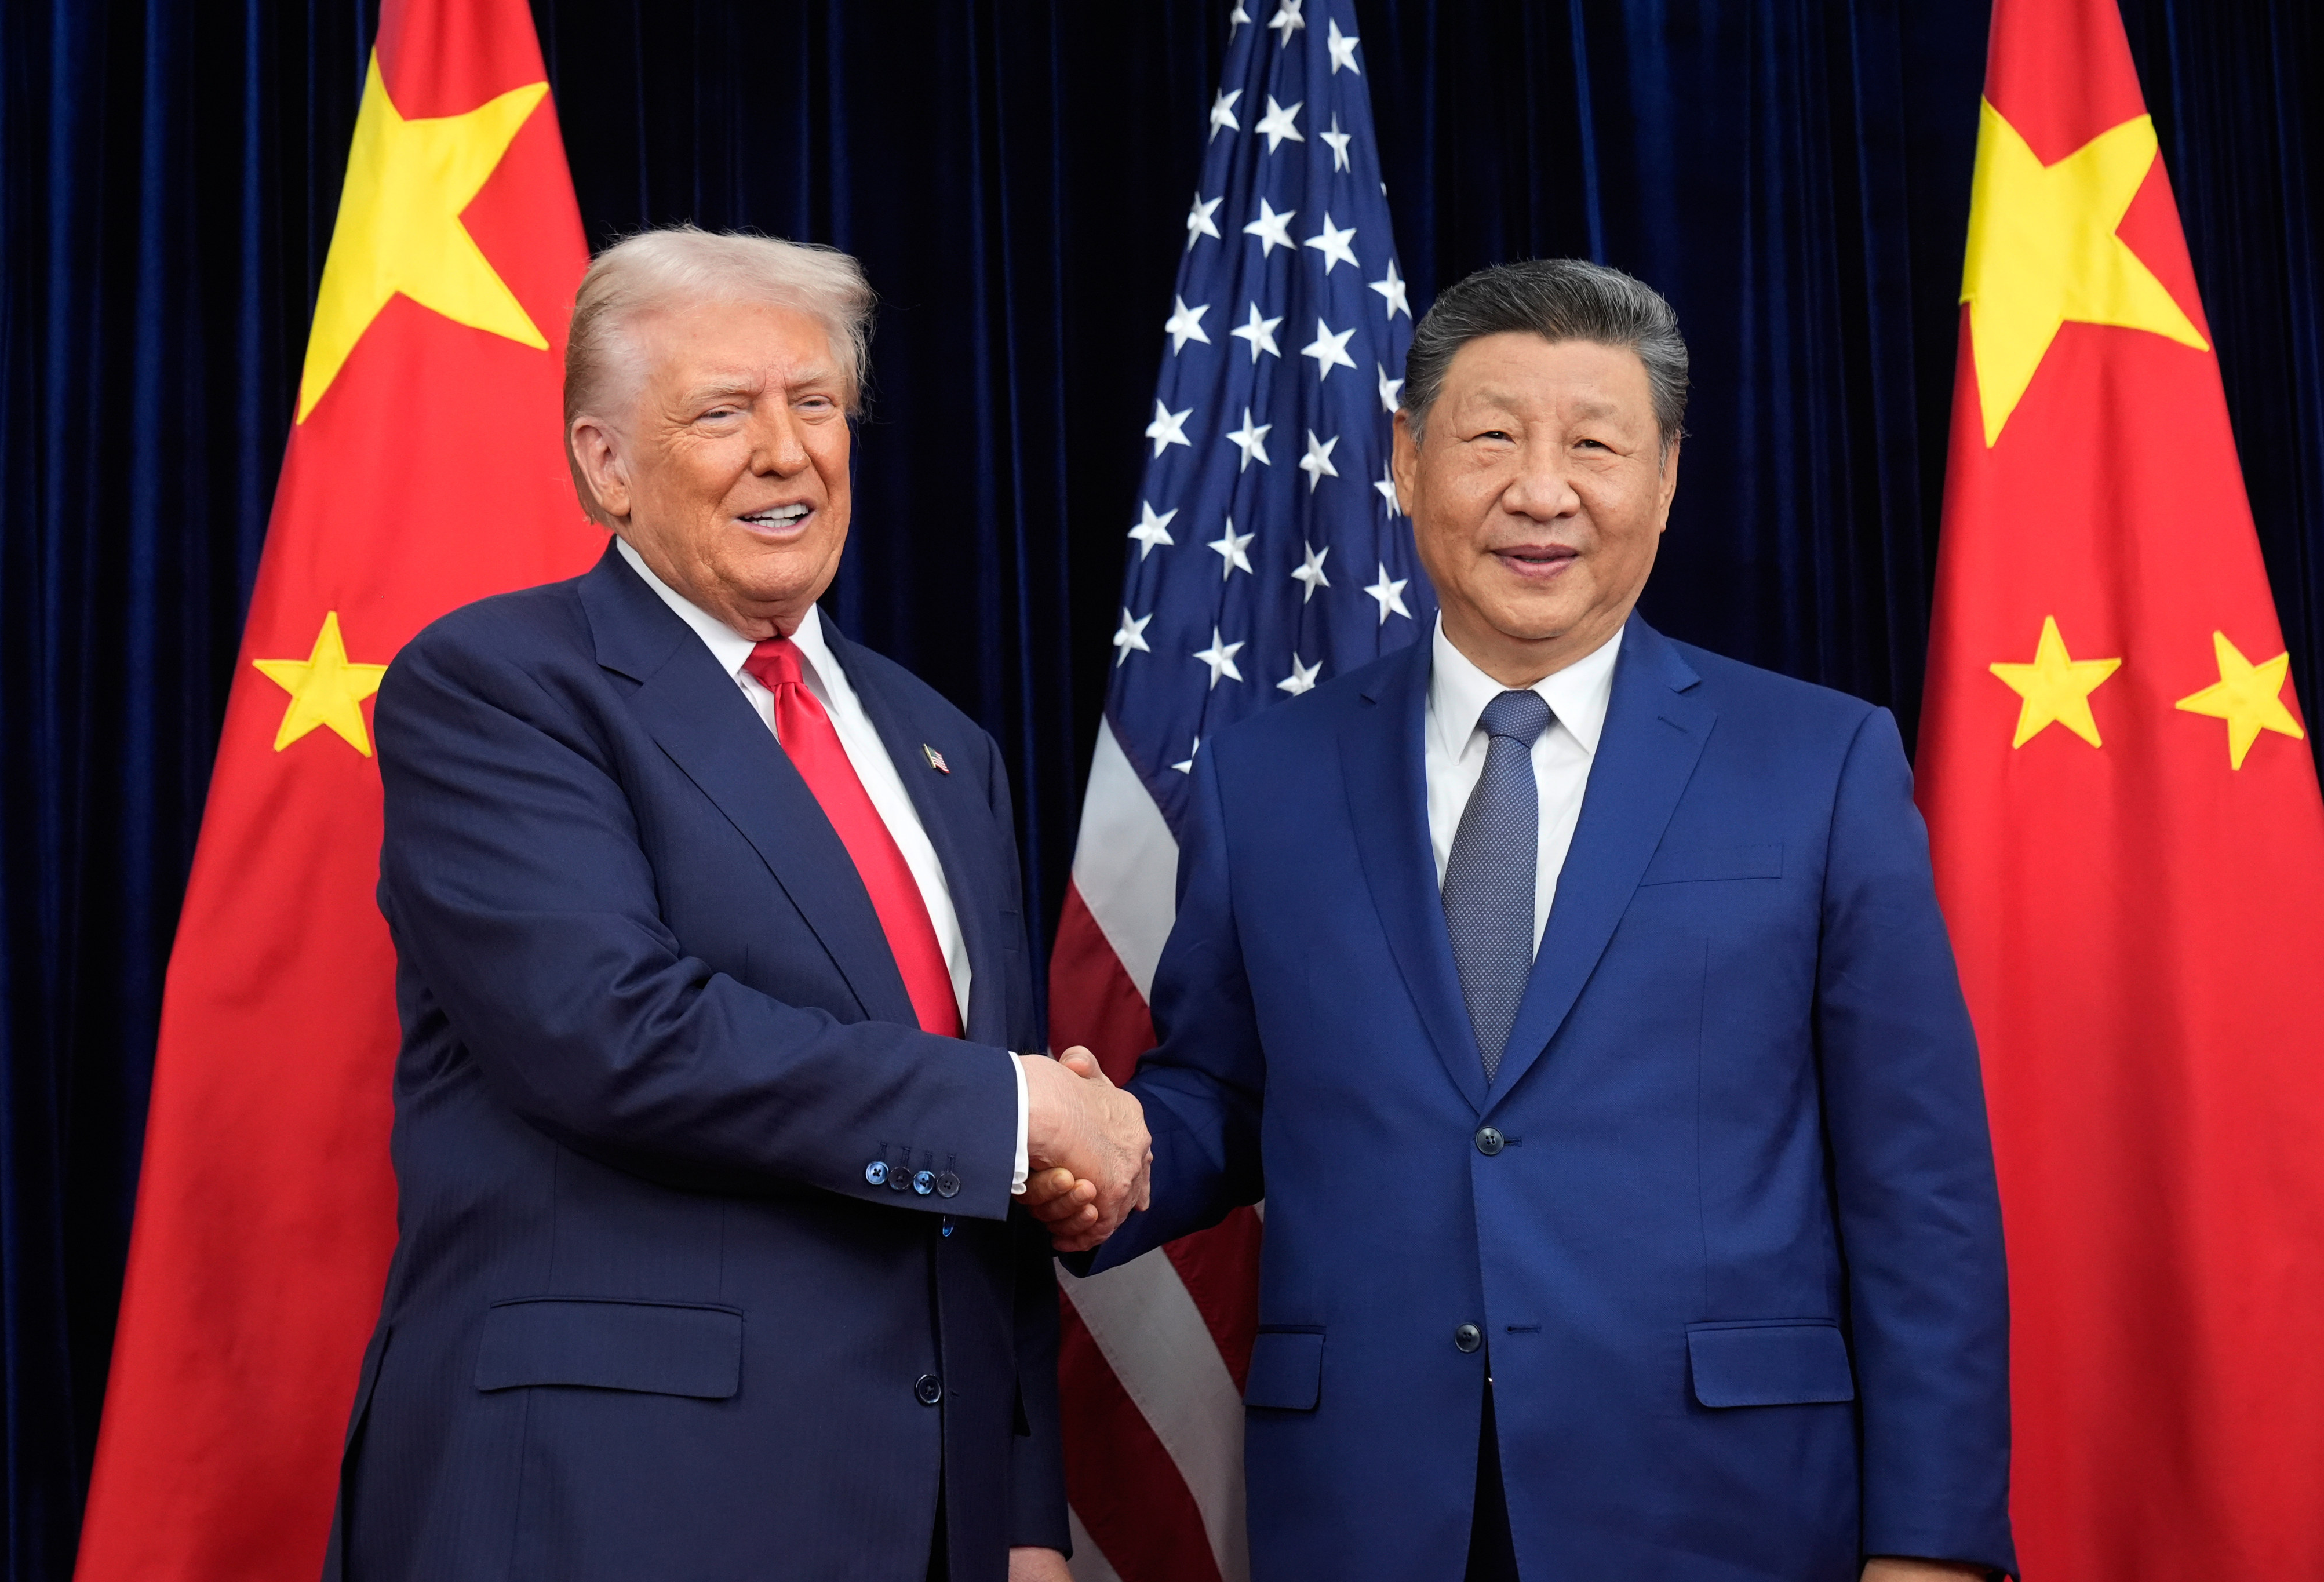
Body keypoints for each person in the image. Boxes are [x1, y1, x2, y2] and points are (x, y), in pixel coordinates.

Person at [1036, 260, 2014, 1581]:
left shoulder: (1817, 763)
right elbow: (1229, 1093)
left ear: (1664, 479)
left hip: (1720, 1506)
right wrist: (1107, 1155)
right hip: (1371, 1505)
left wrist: (1932, 1549)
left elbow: (1920, 1195)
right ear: (1406, 456)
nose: (1540, 491)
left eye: (1595, 445)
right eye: (1491, 436)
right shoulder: (1264, 777)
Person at [325, 226, 1149, 1582]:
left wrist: (1017, 1511)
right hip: (616, 1501)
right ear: (604, 464)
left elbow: (971, 1186)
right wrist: (1020, 1111)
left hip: (928, 1521)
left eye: (814, 404)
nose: (786, 452)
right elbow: (613, 1033)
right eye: (722, 412)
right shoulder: (498, 688)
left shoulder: (945, 748)